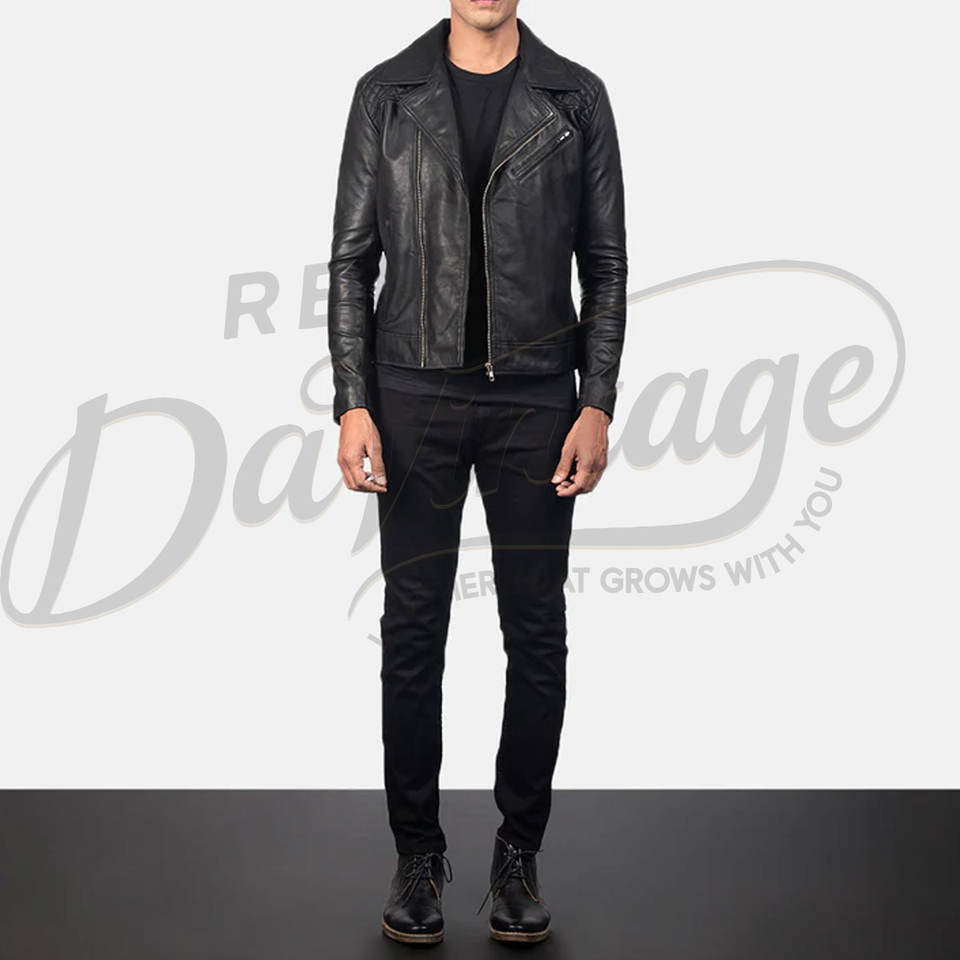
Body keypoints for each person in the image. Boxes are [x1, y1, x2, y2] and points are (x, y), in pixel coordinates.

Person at [327, 0, 626, 945]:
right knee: (413, 632)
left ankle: (517, 855)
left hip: (537, 399)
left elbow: (606, 265)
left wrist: (596, 401)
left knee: (535, 633)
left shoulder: (576, 98)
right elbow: (351, 263)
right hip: (410, 394)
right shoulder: (386, 95)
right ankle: (417, 857)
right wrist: (353, 401)